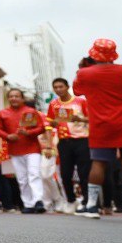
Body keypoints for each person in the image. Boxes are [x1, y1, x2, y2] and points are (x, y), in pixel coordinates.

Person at [73, 39, 122, 220]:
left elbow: (77, 91)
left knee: (99, 163)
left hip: (101, 123)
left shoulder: (85, 73)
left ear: (93, 54)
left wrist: (83, 68)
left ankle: (91, 207)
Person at [0, 87, 47, 213]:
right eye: (11, 96)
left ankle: (38, 200)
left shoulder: (31, 111)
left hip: (32, 148)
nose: (14, 98)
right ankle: (28, 204)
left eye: (17, 96)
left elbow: (41, 128)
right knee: (22, 178)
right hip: (15, 149)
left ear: (22, 98)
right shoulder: (3, 113)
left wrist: (28, 132)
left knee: (34, 174)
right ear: (8, 99)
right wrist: (8, 136)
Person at [47, 77, 91, 214]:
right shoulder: (53, 104)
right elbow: (50, 124)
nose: (58, 89)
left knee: (85, 173)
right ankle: (71, 201)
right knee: (65, 174)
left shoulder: (81, 101)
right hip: (64, 142)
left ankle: (86, 201)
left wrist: (80, 119)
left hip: (82, 140)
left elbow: (92, 118)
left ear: (67, 87)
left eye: (61, 86)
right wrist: (53, 124)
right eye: (56, 87)